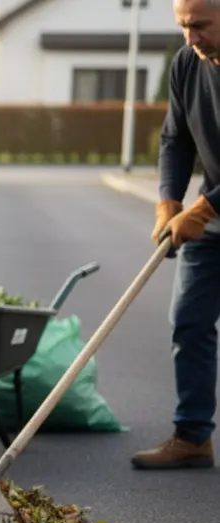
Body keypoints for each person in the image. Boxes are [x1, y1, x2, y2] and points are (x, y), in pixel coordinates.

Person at [136, 0, 220, 470]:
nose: (190, 37)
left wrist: (203, 208)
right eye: (183, 26)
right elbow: (175, 139)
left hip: (212, 211)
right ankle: (192, 436)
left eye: (200, 25)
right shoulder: (187, 63)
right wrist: (168, 202)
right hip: (213, 222)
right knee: (189, 322)